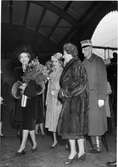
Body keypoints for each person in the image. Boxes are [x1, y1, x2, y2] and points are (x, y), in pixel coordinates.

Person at [58, 43, 89, 165]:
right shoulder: (72, 64)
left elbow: (81, 83)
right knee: (75, 127)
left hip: (75, 101)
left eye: (64, 53)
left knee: (71, 127)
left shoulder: (76, 64)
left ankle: (76, 152)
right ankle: (78, 152)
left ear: (68, 53)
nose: (63, 56)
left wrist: (66, 92)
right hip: (73, 101)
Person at [12, 45, 42, 155]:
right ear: (19, 59)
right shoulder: (17, 70)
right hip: (21, 100)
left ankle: (22, 147)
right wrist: (20, 87)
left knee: (26, 123)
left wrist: (28, 87)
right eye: (21, 57)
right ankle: (34, 144)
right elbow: (15, 85)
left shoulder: (34, 69)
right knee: (27, 124)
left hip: (31, 100)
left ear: (29, 58)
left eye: (25, 57)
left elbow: (39, 87)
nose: (23, 59)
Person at [81, 39, 108, 153]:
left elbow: (103, 80)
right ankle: (94, 145)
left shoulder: (98, 61)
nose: (84, 52)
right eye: (82, 49)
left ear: (91, 48)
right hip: (86, 97)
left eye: (86, 49)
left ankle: (97, 147)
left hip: (96, 96)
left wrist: (101, 97)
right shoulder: (84, 62)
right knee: (90, 123)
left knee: (96, 122)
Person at [45, 52, 63, 148]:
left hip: (59, 100)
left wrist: (56, 93)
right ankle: (55, 140)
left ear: (60, 62)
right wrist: (47, 100)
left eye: (56, 62)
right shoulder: (51, 73)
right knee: (52, 121)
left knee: (60, 120)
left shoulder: (63, 72)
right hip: (51, 100)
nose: (54, 63)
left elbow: (63, 87)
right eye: (53, 62)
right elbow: (48, 88)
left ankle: (66, 141)